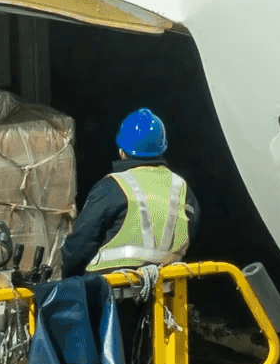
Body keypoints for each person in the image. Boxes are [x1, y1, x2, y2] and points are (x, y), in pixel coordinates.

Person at [52, 107, 195, 277]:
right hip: (166, 291)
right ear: (162, 149)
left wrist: (68, 278)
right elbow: (191, 232)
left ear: (121, 151)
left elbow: (78, 247)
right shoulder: (181, 188)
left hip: (111, 294)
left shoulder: (112, 187)